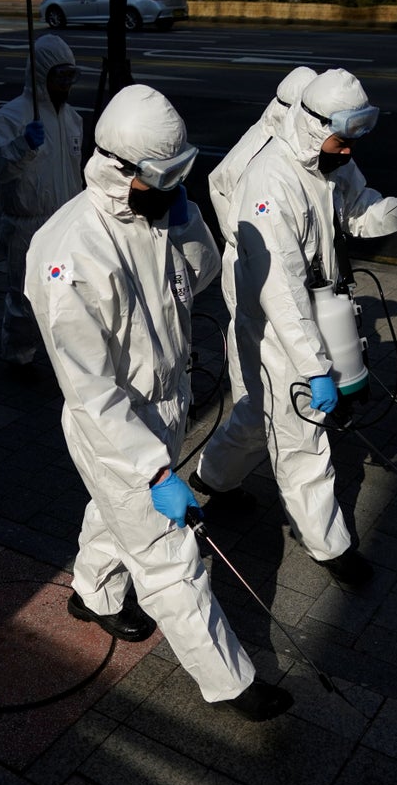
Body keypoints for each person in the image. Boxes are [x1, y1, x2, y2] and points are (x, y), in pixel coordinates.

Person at [24, 84, 293, 722]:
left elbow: (195, 278)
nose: (176, 188)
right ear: (119, 169)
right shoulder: (68, 254)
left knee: (112, 515)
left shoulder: (158, 213)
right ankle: (232, 683)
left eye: (182, 175)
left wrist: (188, 219)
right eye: (163, 178)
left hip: (167, 403)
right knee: (171, 558)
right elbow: (91, 391)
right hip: (115, 430)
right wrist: (153, 470)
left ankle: (93, 593)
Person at [192, 68, 397, 586]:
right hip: (272, 319)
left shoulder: (327, 160)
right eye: (341, 141)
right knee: (302, 434)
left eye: (353, 142)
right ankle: (328, 544)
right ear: (312, 127)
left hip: (309, 305)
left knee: (256, 409)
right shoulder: (271, 180)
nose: (348, 153)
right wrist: (315, 368)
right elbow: (280, 291)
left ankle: (213, 478)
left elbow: (357, 214)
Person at [192, 66, 317, 515]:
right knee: (263, 389)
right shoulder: (260, 146)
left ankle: (218, 473)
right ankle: (223, 472)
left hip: (280, 271)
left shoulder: (299, 147)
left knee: (267, 392)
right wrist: (242, 239)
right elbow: (218, 187)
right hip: (250, 271)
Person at [0, 34, 83, 376]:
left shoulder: (72, 120)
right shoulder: (10, 119)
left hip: (66, 223)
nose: (66, 84)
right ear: (42, 75)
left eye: (71, 76)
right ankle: (19, 355)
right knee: (24, 297)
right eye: (60, 76)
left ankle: (66, 357)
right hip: (27, 225)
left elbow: (73, 172)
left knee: (68, 294)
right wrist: (21, 145)